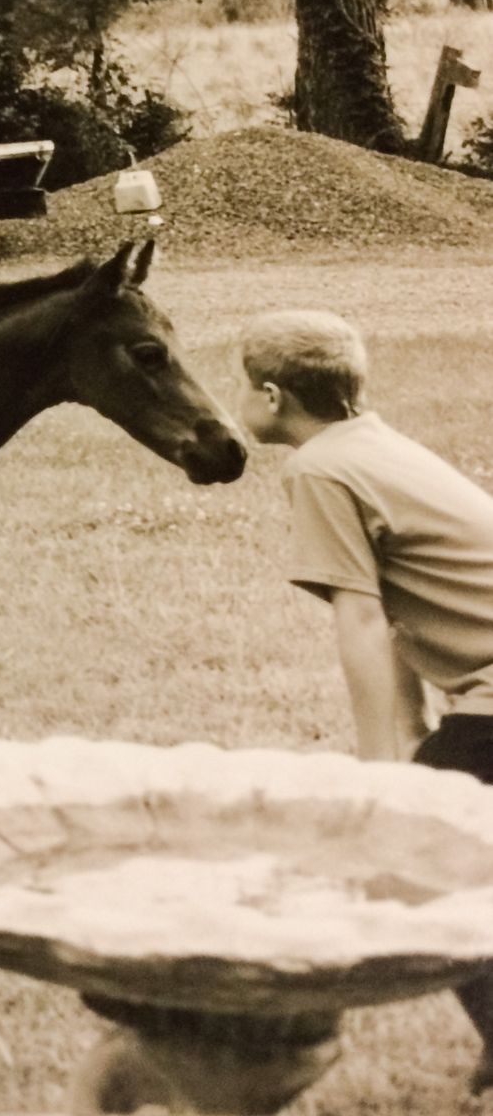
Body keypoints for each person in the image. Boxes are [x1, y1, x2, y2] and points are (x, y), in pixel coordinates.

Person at [237, 308, 493, 1093]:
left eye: (242, 388)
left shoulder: (317, 469)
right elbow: (396, 602)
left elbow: (359, 614)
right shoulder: (372, 444)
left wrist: (378, 767)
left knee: (418, 866)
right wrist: (417, 728)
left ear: (272, 397)